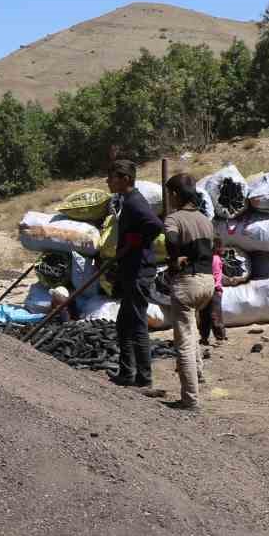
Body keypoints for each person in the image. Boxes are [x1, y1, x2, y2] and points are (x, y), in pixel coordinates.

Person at [160, 174, 217, 411]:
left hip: (187, 282)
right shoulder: (205, 219)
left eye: (169, 194)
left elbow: (171, 241)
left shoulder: (174, 218)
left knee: (183, 339)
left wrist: (174, 258)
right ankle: (199, 374)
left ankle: (190, 399)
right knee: (192, 327)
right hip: (207, 282)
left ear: (174, 194)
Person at [106, 160, 164, 390]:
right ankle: (127, 372)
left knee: (137, 322)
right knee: (123, 323)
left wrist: (137, 241)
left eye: (112, 177)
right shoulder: (127, 201)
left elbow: (155, 225)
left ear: (125, 179)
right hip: (131, 269)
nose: (108, 182)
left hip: (139, 270)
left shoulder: (135, 202)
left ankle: (144, 378)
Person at [196, 238, 228, 344]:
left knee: (214, 315)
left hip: (213, 290)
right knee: (205, 315)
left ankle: (219, 337)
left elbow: (211, 276)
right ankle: (205, 337)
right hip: (208, 289)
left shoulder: (214, 259)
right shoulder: (212, 258)